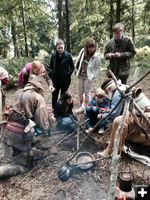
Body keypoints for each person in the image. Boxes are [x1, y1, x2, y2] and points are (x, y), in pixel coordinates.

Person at [2, 74, 53, 171]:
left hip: (7, 130)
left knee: (29, 145)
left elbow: (22, 109)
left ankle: (17, 153)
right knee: (24, 166)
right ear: (39, 88)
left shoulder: (18, 92)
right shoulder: (38, 97)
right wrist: (48, 128)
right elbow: (42, 122)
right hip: (20, 134)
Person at [98, 91, 150, 158]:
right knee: (119, 121)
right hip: (135, 127)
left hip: (143, 136)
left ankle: (117, 147)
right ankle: (111, 149)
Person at [75, 38, 100, 112]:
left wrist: (93, 76)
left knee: (87, 92)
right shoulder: (83, 51)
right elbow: (78, 60)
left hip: (88, 77)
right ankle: (81, 106)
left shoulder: (96, 56)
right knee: (80, 91)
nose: (91, 49)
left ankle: (87, 108)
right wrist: (76, 69)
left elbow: (98, 69)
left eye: (92, 47)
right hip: (80, 75)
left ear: (95, 47)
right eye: (89, 47)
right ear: (86, 47)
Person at [49, 39, 74, 111]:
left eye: (61, 48)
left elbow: (72, 67)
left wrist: (68, 74)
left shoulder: (68, 55)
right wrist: (51, 74)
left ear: (64, 47)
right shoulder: (53, 55)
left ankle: (62, 109)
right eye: (58, 48)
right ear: (56, 48)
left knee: (63, 95)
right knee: (54, 95)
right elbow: (50, 67)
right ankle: (55, 110)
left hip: (65, 80)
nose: (60, 49)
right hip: (55, 80)